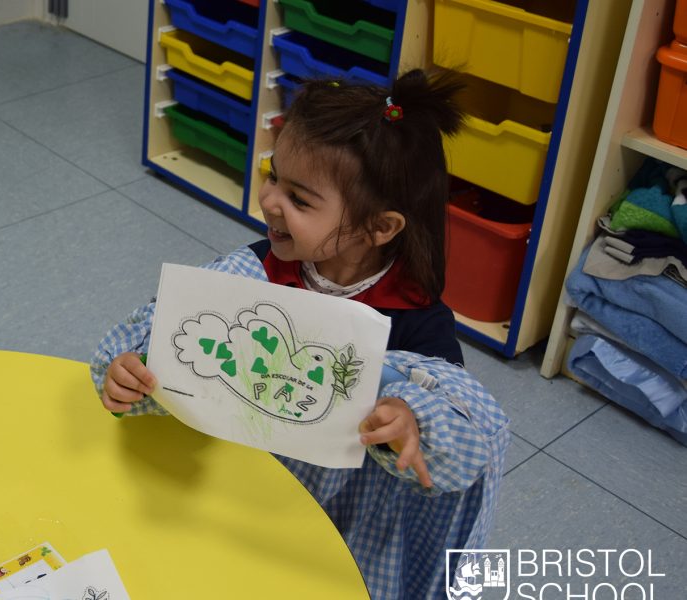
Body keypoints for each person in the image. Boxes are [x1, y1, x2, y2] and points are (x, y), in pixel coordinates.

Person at [90, 71, 509, 599]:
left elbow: (460, 428)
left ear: (379, 227)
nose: (270, 201)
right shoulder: (253, 271)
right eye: (273, 176)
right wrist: (130, 370)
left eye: (300, 199)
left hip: (334, 523)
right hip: (229, 490)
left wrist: (409, 419)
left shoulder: (416, 319)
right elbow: (167, 338)